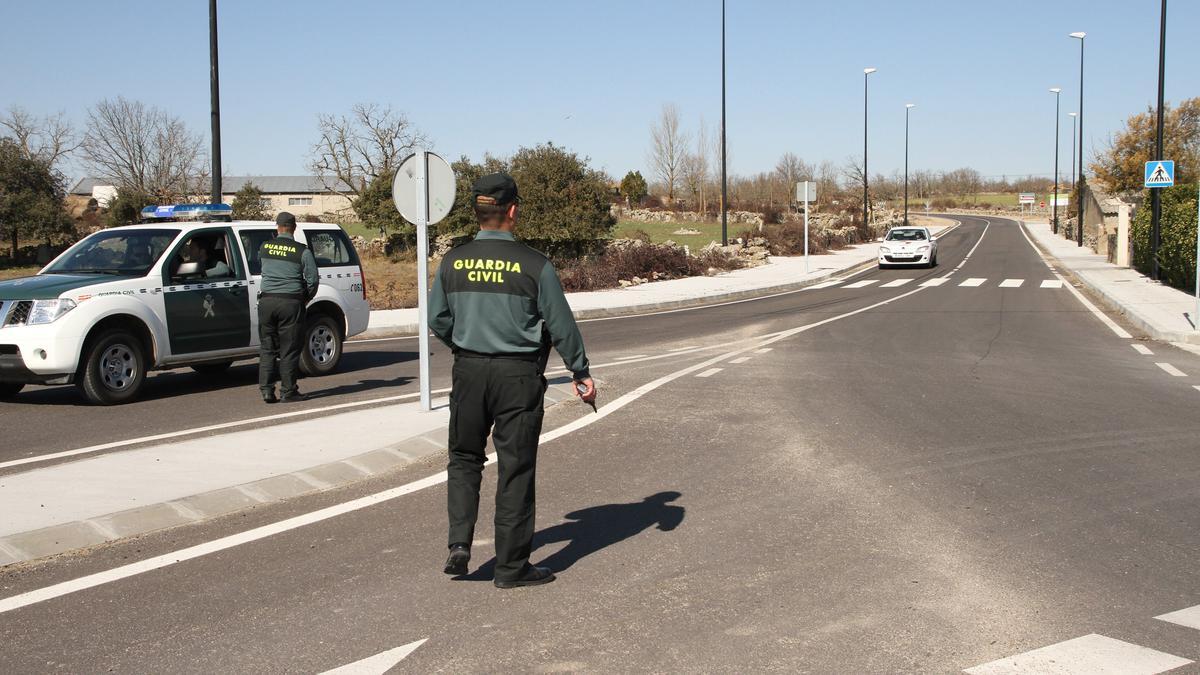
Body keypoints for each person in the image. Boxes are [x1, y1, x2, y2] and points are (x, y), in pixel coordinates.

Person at [429, 172, 597, 589]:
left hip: (468, 371)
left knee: (464, 457)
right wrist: (580, 371)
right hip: (517, 375)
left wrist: (465, 343)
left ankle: (459, 545)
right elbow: (561, 326)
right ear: (513, 211)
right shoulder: (535, 265)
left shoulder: (454, 260)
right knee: (515, 468)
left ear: (478, 211)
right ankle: (510, 568)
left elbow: (437, 319)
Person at [257, 212, 318, 404]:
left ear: (277, 227)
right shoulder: (302, 251)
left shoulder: (264, 247)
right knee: (289, 349)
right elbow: (313, 280)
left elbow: (264, 268)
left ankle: (266, 391)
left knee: (267, 348)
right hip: (290, 302)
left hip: (266, 302)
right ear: (294, 227)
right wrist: (304, 299)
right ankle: (288, 391)